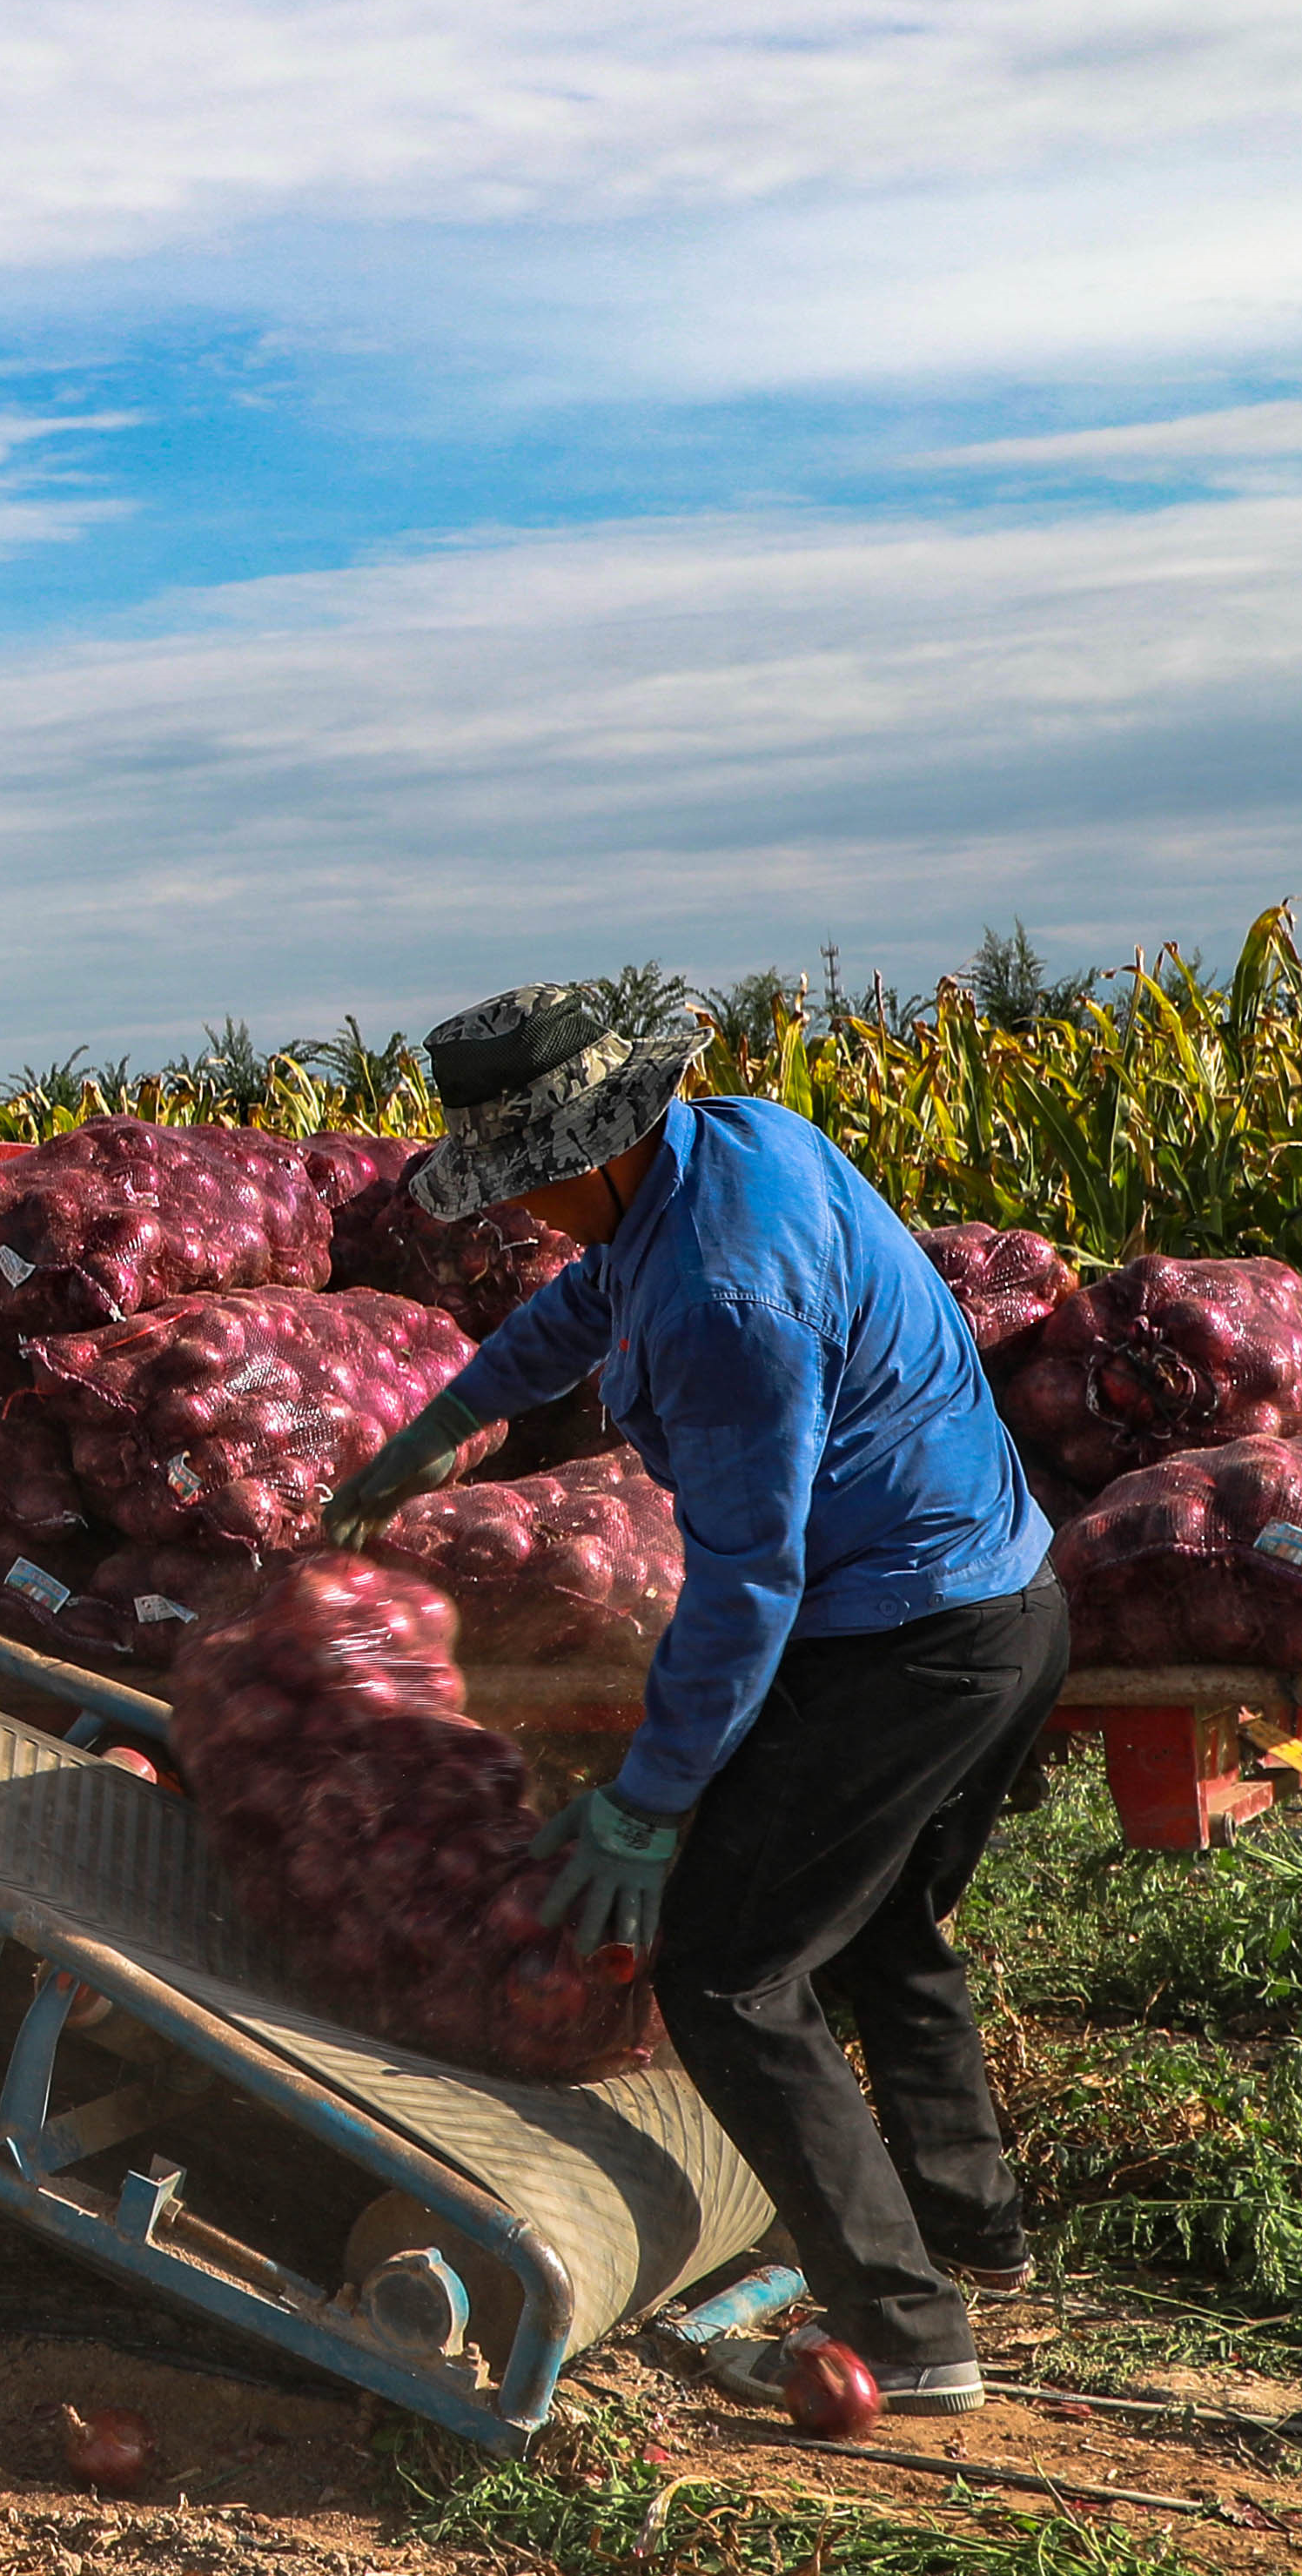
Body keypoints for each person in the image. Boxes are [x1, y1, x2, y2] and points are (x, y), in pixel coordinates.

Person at [317, 981, 1060, 2421]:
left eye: (534, 1177)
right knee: (885, 1924)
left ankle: (903, 2335)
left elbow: (744, 1585)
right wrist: (441, 1421)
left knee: (724, 1963)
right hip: (999, 1602)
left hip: (901, 1639)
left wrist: (648, 1803)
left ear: (599, 1144)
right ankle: (972, 2240)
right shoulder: (729, 1146)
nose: (523, 1208)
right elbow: (580, 1309)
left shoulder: (725, 1297)